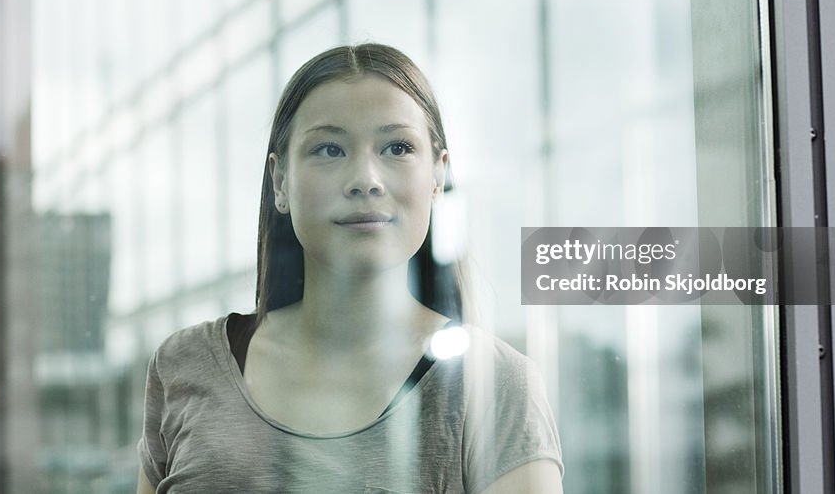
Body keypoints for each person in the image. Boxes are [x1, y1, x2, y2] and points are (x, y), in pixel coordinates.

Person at [137, 43, 563, 493]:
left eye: (397, 147)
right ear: (280, 182)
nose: (365, 179)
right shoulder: (184, 365)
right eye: (328, 149)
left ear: (438, 177)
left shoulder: (495, 384)